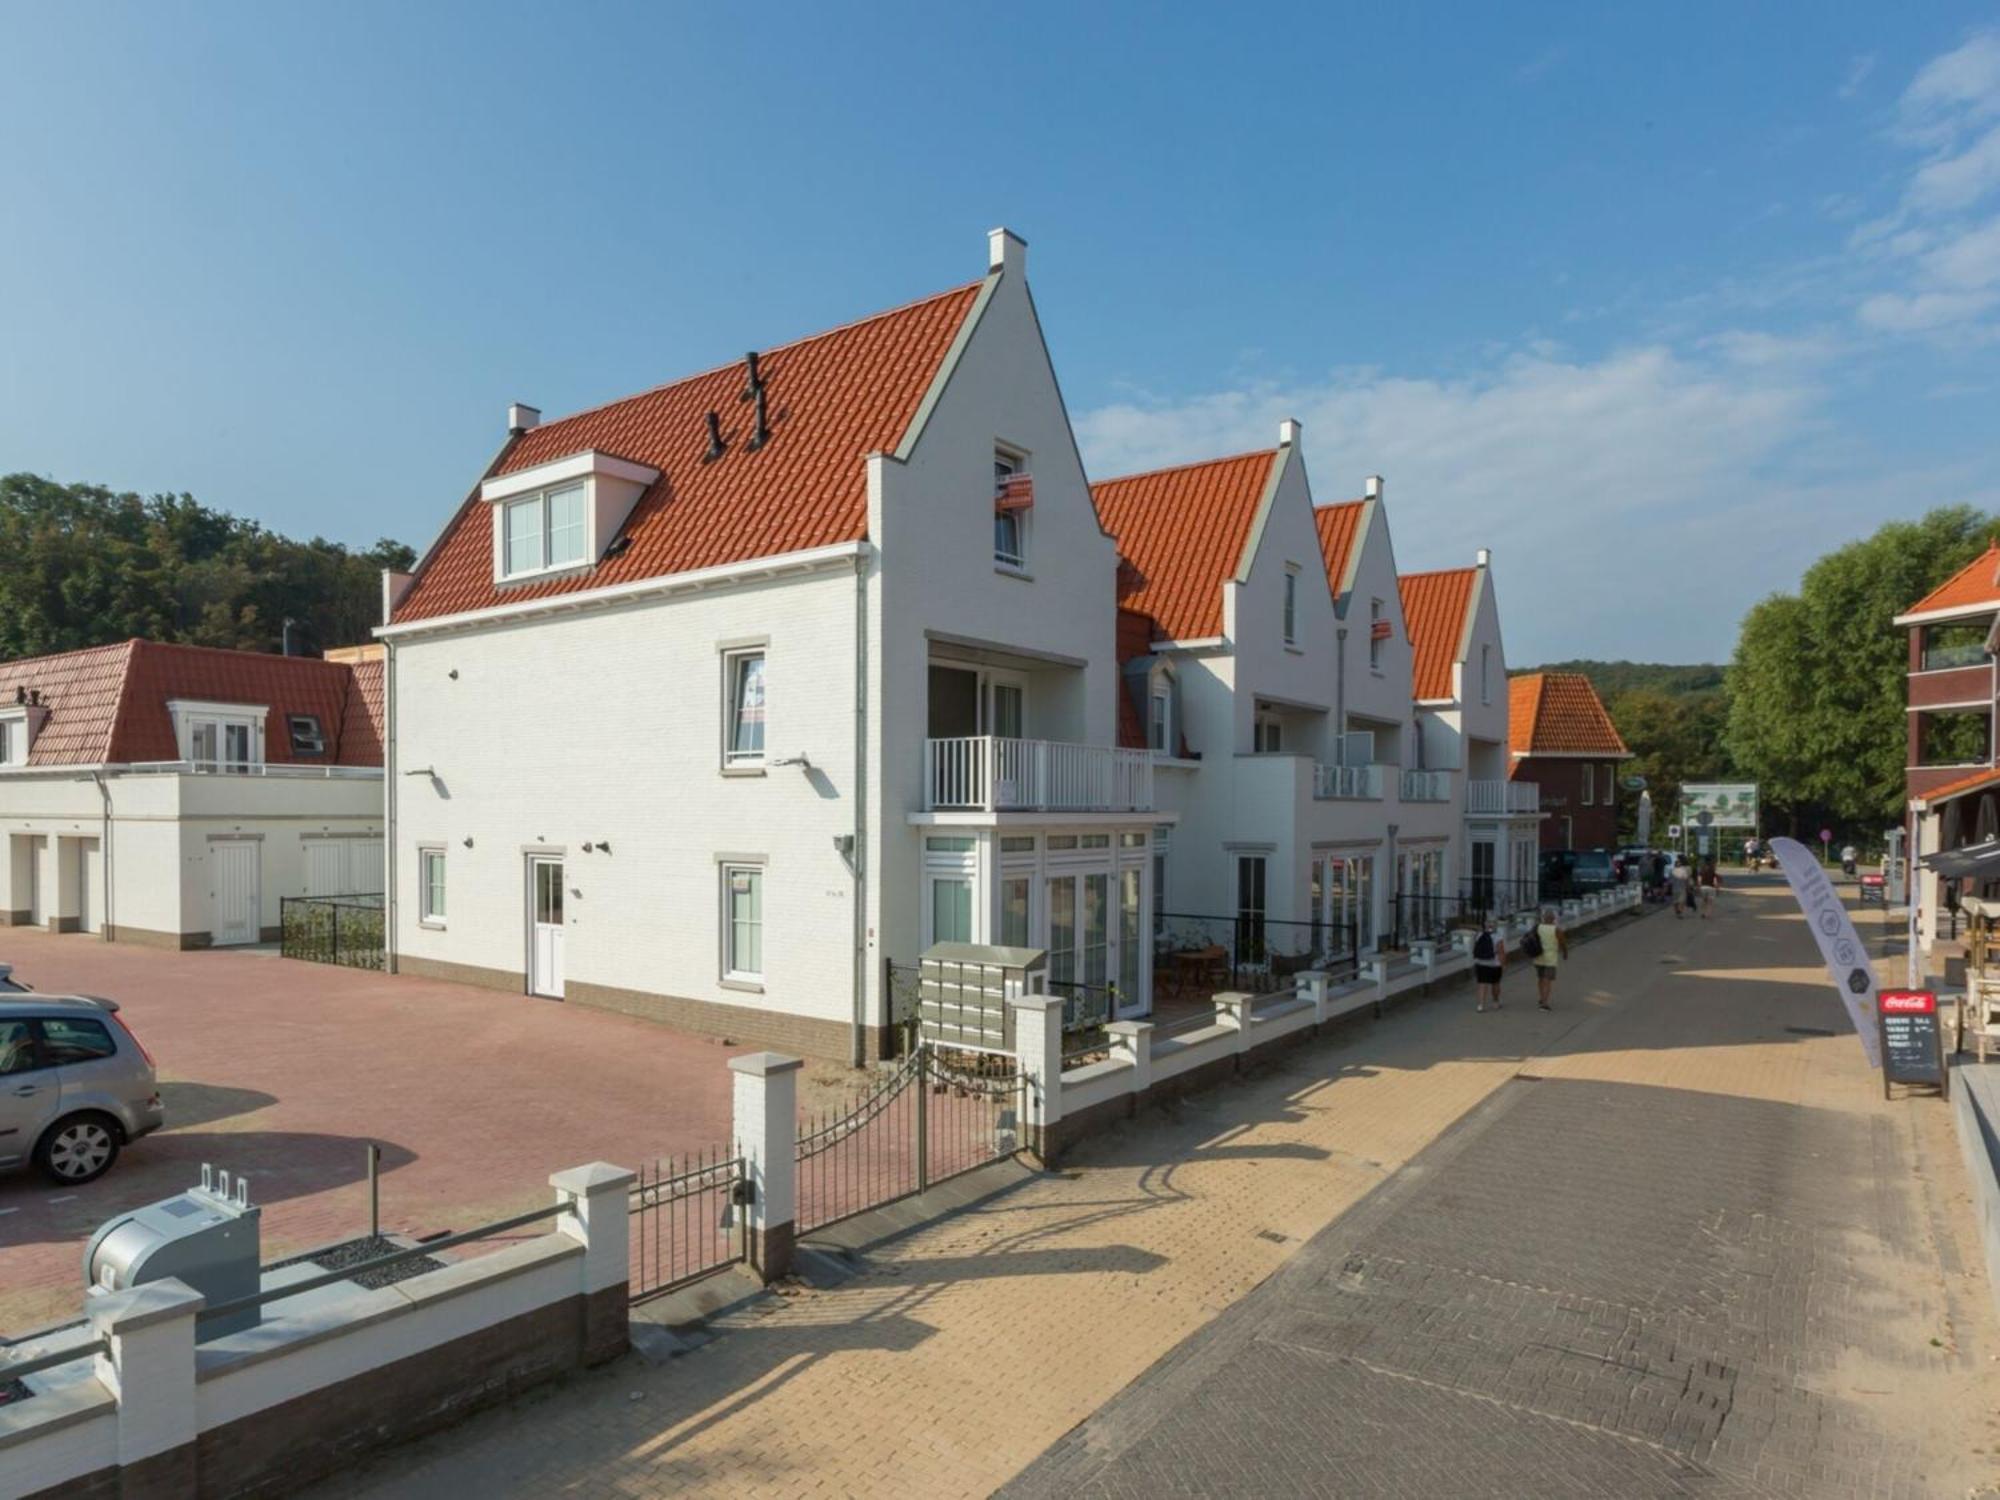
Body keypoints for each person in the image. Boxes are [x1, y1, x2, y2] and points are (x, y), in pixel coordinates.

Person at [1530, 905, 1567, 1009]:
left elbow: (1531, 939)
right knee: (1547, 980)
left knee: (1540, 979)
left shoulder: (1538, 927)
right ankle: (1545, 1003)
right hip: (1550, 959)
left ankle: (1542, 998)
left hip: (1538, 957)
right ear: (1553, 919)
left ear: (1544, 918)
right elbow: (1562, 943)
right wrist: (1565, 953)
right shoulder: (1556, 930)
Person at [1472, 918, 1505, 1011]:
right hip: (1494, 964)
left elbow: (1475, 949)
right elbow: (1501, 951)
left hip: (1481, 963)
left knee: (1482, 984)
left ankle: (1480, 1005)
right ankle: (1495, 1002)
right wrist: (1503, 964)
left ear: (1485, 925)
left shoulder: (1479, 935)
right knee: (1495, 983)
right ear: (1495, 925)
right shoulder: (1498, 936)